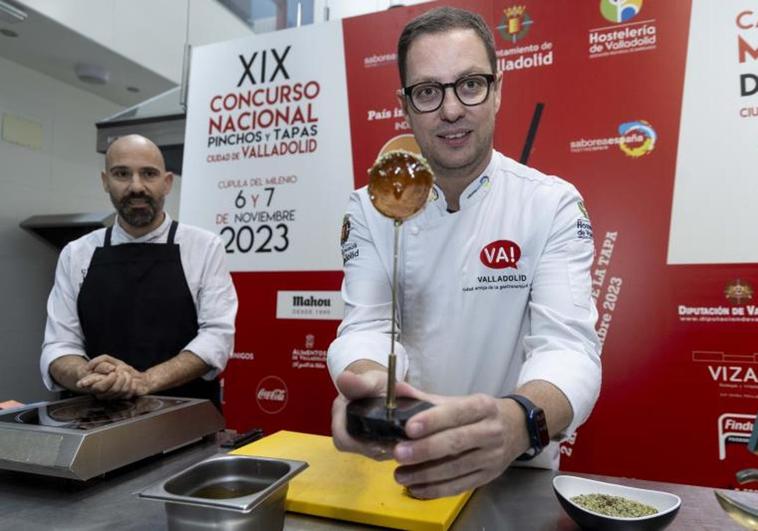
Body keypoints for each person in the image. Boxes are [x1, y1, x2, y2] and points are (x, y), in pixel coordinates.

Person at [328, 7, 601, 499]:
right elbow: (366, 324)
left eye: (470, 84)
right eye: (428, 92)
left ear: (497, 90)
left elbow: (569, 349)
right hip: (402, 462)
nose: (451, 110)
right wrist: (367, 387)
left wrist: (518, 420)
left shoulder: (551, 203)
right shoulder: (370, 208)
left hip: (514, 471)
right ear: (405, 105)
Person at [40, 134, 237, 406]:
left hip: (183, 420)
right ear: (105, 181)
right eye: (122, 174)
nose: (136, 186)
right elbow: (59, 346)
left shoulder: (204, 247)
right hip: (94, 421)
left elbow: (217, 338)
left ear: (166, 182)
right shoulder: (76, 253)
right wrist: (89, 376)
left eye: (148, 174)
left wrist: (145, 381)